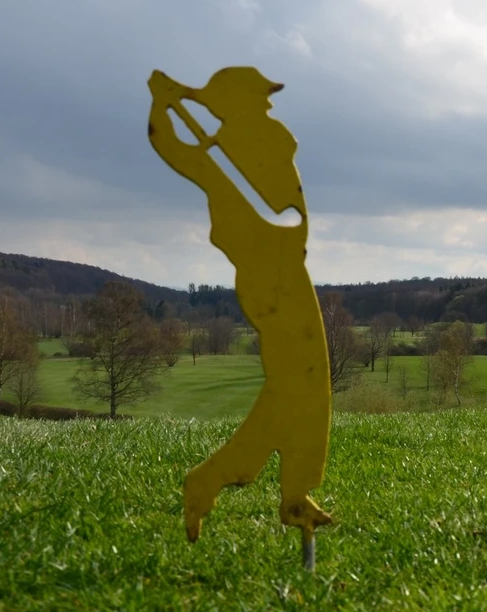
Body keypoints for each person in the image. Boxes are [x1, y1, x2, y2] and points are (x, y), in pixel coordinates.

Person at [146, 67, 332, 544]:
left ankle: (288, 493)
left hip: (289, 267)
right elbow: (171, 149)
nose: (269, 101)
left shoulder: (252, 138)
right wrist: (162, 103)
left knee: (304, 384)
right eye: (259, 94)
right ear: (236, 101)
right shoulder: (220, 152)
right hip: (269, 276)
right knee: (300, 383)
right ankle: (222, 482)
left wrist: (177, 98)